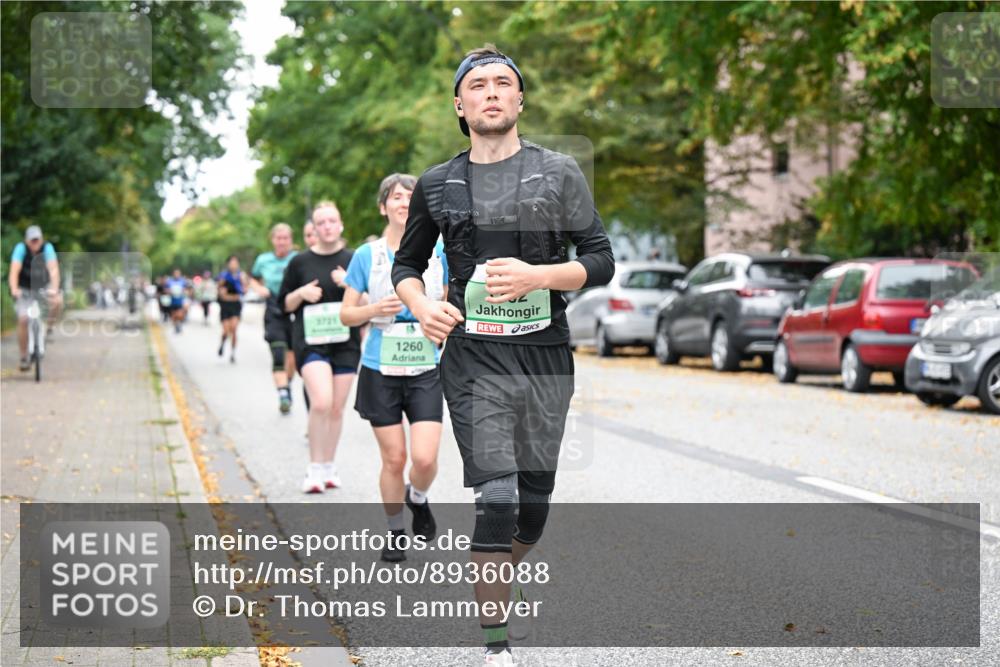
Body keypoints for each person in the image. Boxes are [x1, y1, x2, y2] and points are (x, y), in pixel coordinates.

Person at [392, 44, 614, 665]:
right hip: (471, 357)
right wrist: (420, 303)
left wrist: (540, 276)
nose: (491, 91)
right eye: (478, 85)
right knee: (497, 496)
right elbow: (408, 265)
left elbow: (601, 258)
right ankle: (496, 645)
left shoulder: (560, 172)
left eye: (502, 83)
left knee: (532, 511)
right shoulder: (437, 184)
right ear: (460, 105)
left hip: (544, 356)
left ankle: (493, 577)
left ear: (519, 100)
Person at [341, 174, 449, 562]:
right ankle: (395, 532)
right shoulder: (367, 255)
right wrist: (374, 309)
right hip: (380, 366)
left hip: (425, 365)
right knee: (394, 459)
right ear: (383, 206)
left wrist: (440, 327)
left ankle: (417, 497)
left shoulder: (440, 250)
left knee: (424, 459)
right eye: (397, 197)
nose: (405, 203)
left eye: (412, 198)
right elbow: (346, 314)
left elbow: (450, 302)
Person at [278, 201, 357, 493]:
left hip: (345, 343)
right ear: (313, 228)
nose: (326, 227)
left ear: (340, 225)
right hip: (311, 342)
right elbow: (284, 303)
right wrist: (301, 292)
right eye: (320, 222)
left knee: (336, 409)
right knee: (321, 401)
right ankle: (313, 468)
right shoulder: (299, 262)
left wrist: (348, 283)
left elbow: (366, 302)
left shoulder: (354, 259)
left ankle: (329, 465)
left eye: (331, 221)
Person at [250, 223, 299, 414]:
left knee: (292, 360)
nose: (282, 242)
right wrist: (258, 288)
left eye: (285, 238)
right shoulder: (263, 260)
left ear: (291, 240)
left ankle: (287, 385)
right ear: (273, 240)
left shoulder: (297, 259)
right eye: (278, 238)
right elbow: (252, 278)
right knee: (278, 354)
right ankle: (283, 394)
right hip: (273, 312)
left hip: (294, 312)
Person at [7, 226, 62, 371]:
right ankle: (24, 356)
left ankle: (49, 328)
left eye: (37, 240)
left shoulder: (47, 248)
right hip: (24, 289)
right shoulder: (21, 249)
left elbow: (54, 270)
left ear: (41, 239)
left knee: (57, 302)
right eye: (32, 240)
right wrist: (14, 289)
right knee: (23, 319)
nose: (35, 243)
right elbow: (14, 271)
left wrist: (54, 289)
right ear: (27, 240)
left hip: (43, 286)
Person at [217, 255, 245, 362]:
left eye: (236, 262)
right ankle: (222, 343)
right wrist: (226, 295)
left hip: (236, 306)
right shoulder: (224, 276)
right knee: (225, 331)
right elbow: (221, 293)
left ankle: (233, 353)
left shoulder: (240, 276)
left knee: (234, 329)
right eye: (232, 263)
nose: (234, 265)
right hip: (225, 306)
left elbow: (244, 290)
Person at [165, 268, 190, 334]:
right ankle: (176, 326)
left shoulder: (183, 281)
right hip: (172, 300)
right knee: (173, 315)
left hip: (180, 300)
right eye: (175, 273)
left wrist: (184, 292)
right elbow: (166, 290)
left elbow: (187, 290)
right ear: (173, 274)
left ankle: (179, 324)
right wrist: (169, 292)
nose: (176, 275)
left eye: (178, 273)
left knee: (180, 314)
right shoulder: (169, 281)